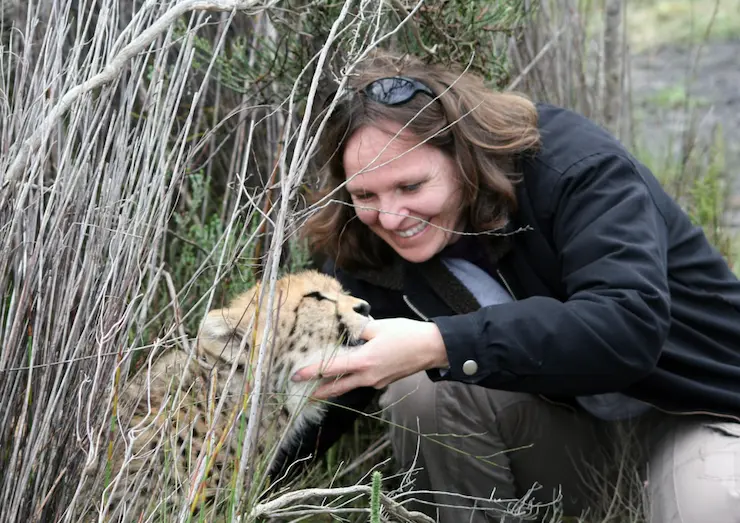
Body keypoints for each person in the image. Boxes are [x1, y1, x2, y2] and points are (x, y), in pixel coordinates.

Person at [287, 51, 740, 523]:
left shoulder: (571, 167)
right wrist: (221, 488)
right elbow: (328, 395)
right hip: (569, 446)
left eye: (411, 186)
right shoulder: (365, 242)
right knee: (424, 392)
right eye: (365, 195)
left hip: (696, 414)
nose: (392, 217)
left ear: (462, 156)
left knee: (714, 503)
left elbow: (625, 326)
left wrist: (439, 342)